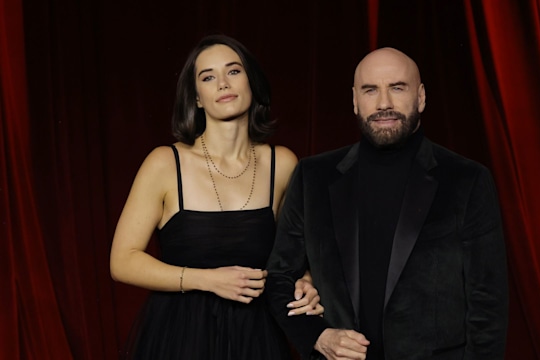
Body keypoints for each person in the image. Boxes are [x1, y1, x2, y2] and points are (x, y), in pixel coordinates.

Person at [265, 47, 508, 359]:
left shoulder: (467, 180)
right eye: (370, 90)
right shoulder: (313, 177)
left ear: (420, 96)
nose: (384, 104)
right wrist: (318, 335)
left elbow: (487, 302)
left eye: (397, 87)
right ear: (354, 100)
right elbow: (279, 277)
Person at [110, 34, 323, 360]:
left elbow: (296, 256)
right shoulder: (165, 163)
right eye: (208, 77)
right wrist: (207, 280)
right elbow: (122, 260)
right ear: (196, 98)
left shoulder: (282, 164)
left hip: (258, 336)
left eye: (233, 71)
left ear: (251, 84)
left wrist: (306, 282)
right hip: (181, 338)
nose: (223, 83)